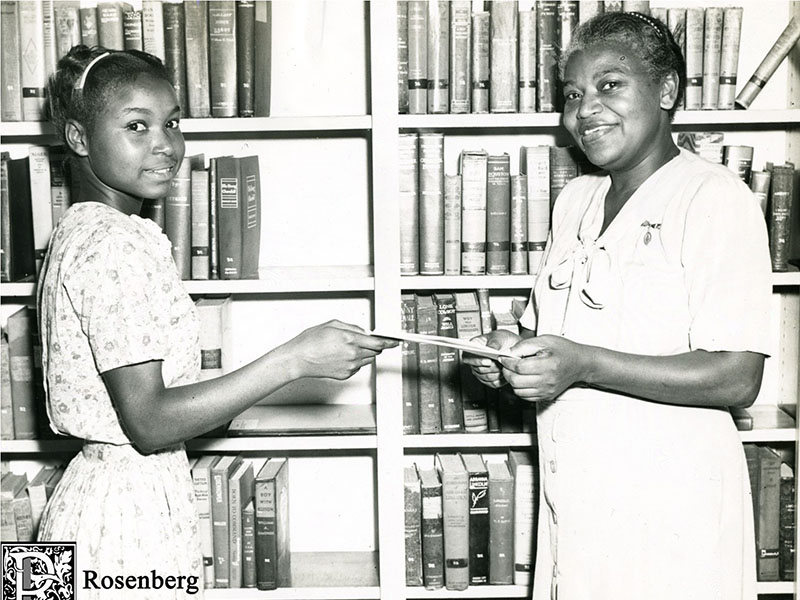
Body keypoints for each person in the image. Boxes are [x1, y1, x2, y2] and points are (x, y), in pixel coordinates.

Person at [36, 45, 396, 597]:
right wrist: (293, 359)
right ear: (80, 138)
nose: (166, 144)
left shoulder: (81, 230)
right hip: (125, 529)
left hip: (93, 502)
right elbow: (150, 423)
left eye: (173, 122)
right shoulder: (112, 245)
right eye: (138, 125)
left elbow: (155, 404)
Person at [464, 12, 771, 600]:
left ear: (666, 90)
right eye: (573, 94)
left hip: (672, 513)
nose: (585, 110)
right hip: (577, 502)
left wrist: (582, 364)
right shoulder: (575, 200)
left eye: (610, 85)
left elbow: (737, 376)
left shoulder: (714, 197)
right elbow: (546, 335)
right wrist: (505, 354)